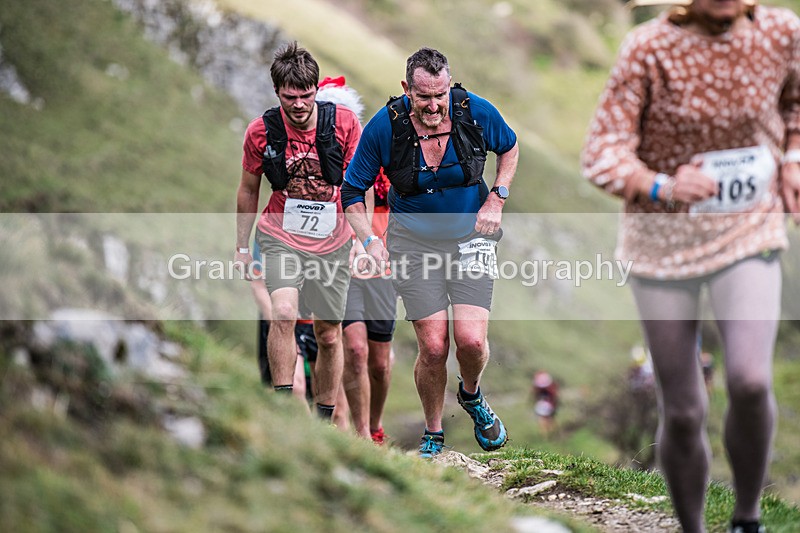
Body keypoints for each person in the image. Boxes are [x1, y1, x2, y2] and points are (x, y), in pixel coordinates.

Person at [582, 2, 800, 532]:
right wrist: (664, 185)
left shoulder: (782, 32)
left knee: (749, 380)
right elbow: (603, 152)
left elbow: (796, 108)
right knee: (683, 409)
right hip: (661, 237)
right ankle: (692, 527)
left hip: (747, 226)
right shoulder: (648, 46)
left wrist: (793, 160)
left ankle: (747, 519)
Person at [342, 47, 519, 457]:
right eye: (424, 97)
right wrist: (370, 241)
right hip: (413, 243)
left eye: (440, 95)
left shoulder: (474, 111)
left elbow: (509, 147)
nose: (435, 106)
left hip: (472, 236)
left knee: (471, 342)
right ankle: (434, 433)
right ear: (407, 90)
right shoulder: (386, 127)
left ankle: (472, 396)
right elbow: (353, 189)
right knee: (435, 346)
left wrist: (497, 197)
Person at [235, 41, 361, 422]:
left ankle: (324, 418)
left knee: (328, 333)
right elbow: (247, 189)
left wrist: (362, 240)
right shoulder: (260, 131)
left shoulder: (343, 123)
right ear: (278, 93)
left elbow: (359, 188)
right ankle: (284, 409)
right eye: (290, 97)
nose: (299, 105)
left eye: (307, 96)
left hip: (334, 240)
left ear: (316, 90)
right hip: (279, 236)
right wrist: (241, 248)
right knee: (284, 312)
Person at [342, 167, 397, 445]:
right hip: (342, 268)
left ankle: (375, 427)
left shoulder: (391, 157)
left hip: (382, 268)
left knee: (380, 365)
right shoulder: (333, 156)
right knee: (355, 349)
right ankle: (361, 433)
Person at [531, 371, 559, 437]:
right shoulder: (551, 389)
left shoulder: (539, 389)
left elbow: (535, 396)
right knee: (548, 420)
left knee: (543, 420)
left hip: (543, 405)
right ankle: (549, 435)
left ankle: (546, 435)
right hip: (548, 405)